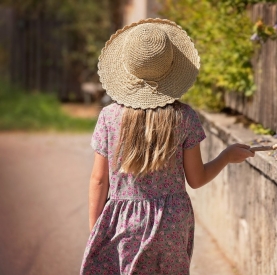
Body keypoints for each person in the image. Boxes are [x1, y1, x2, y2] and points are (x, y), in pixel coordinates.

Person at [80, 18, 255, 275]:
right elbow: (196, 179)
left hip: (122, 221)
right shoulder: (184, 117)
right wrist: (227, 156)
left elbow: (98, 180)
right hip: (171, 223)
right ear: (172, 69)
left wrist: (96, 229)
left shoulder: (109, 117)